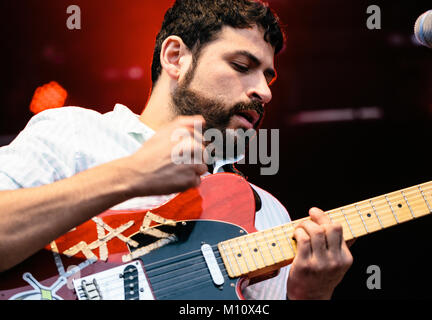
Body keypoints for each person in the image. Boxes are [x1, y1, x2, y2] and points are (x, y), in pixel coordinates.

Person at [0, 0, 353, 300]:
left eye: (268, 76)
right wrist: (130, 173)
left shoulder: (269, 213)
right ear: (175, 57)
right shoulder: (76, 132)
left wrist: (308, 296)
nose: (264, 91)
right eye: (242, 67)